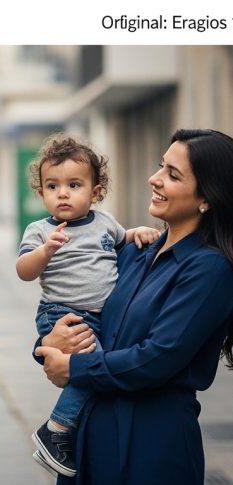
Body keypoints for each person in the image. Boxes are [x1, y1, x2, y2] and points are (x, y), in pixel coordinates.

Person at [36, 129, 233, 484]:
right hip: (88, 439)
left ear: (207, 198)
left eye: (173, 175)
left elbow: (157, 358)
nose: (154, 179)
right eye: (161, 166)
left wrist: (75, 367)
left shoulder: (209, 269)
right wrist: (49, 345)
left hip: (150, 446)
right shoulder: (133, 251)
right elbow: (78, 312)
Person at [16, 135, 160, 477]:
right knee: (92, 367)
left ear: (95, 192)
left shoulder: (105, 222)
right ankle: (57, 429)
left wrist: (140, 231)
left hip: (99, 317)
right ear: (41, 193)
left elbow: (123, 239)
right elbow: (24, 271)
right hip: (62, 314)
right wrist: (45, 252)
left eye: (74, 184)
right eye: (52, 186)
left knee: (90, 372)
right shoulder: (40, 231)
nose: (62, 193)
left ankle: (68, 432)